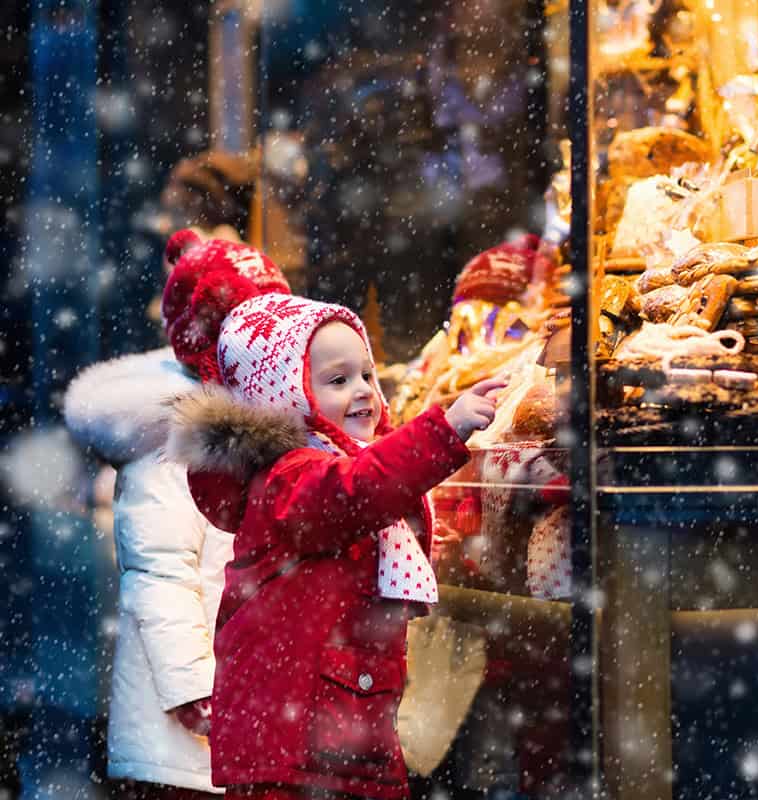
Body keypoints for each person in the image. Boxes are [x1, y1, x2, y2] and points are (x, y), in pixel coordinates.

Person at [164, 256, 504, 800]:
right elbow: (358, 491)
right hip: (297, 740)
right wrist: (446, 429)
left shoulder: (334, 471)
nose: (366, 390)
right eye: (339, 380)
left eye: (367, 374)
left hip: (336, 725)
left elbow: (374, 495)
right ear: (286, 396)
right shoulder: (291, 477)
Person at [62, 230, 292, 799]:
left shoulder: (249, 423)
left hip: (238, 697)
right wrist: (194, 688)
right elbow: (159, 574)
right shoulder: (175, 437)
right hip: (189, 722)